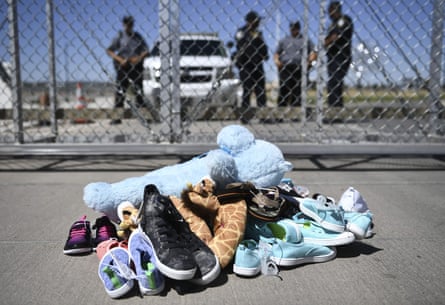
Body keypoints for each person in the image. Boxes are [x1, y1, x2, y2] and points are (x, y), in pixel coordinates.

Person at [106, 16, 149, 125]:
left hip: (136, 66)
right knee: (120, 92)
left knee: (139, 92)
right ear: (124, 24)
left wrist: (138, 58)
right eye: (126, 24)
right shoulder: (120, 36)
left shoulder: (138, 37)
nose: (128, 26)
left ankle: (143, 116)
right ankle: (117, 117)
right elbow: (109, 50)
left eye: (130, 24)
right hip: (123, 67)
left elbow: (146, 51)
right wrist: (120, 60)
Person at [234, 11, 269, 124]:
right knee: (247, 90)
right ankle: (245, 116)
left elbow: (264, 49)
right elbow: (239, 45)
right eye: (256, 21)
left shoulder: (259, 33)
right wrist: (248, 34)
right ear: (251, 21)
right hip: (246, 66)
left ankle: (263, 115)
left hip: (258, 65)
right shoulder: (241, 32)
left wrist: (263, 52)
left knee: (260, 90)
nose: (258, 23)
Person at [274, 21, 317, 107]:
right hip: (286, 67)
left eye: (296, 28)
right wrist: (277, 62)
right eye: (292, 28)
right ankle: (280, 112)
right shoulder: (284, 40)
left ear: (299, 29)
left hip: (299, 67)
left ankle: (296, 113)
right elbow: (276, 53)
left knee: (297, 91)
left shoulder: (305, 40)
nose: (294, 30)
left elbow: (314, 52)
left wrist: (310, 63)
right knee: (284, 89)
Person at [324, 1, 353, 107]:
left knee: (334, 83)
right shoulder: (333, 24)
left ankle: (334, 109)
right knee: (334, 82)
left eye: (330, 12)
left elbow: (334, 37)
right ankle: (336, 108)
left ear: (334, 10)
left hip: (341, 56)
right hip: (332, 56)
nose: (329, 15)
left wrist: (323, 43)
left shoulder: (343, 21)